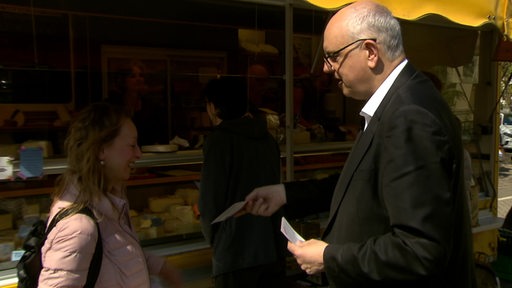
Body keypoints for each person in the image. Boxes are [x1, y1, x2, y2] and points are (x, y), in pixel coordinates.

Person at [245, 1, 476, 287]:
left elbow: (419, 251)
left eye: (333, 56)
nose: (327, 68)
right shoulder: (400, 102)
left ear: (370, 52)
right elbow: (361, 186)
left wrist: (329, 257)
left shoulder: (409, 115)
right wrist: (286, 194)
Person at [39, 102, 182, 288]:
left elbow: (115, 253)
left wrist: (162, 268)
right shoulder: (78, 227)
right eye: (132, 145)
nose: (138, 154)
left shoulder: (109, 204)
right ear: (101, 150)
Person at [198, 76, 287, 288]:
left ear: (213, 107)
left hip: (234, 251)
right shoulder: (267, 139)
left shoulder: (219, 141)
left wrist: (214, 238)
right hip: (271, 247)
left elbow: (210, 201)